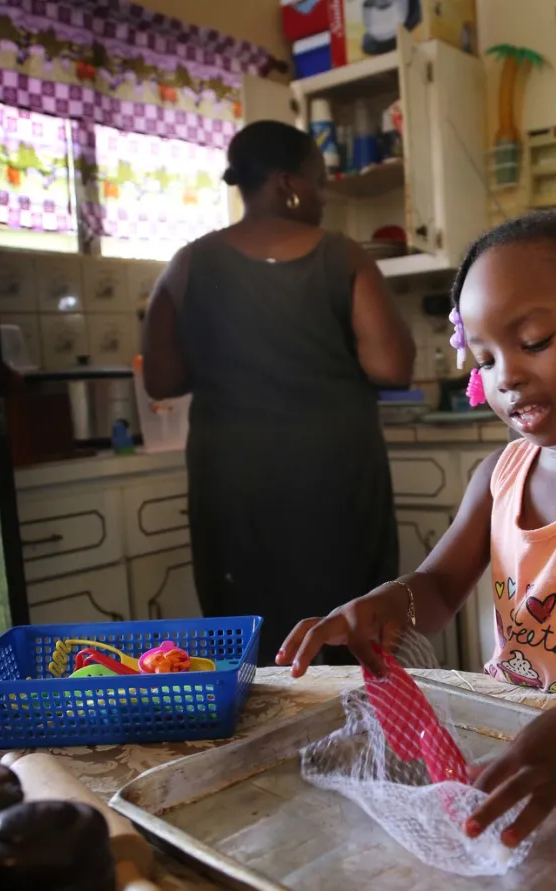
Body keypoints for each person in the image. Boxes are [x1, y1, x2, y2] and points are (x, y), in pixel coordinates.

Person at [277, 211, 556, 861]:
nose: (506, 376)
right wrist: (387, 602)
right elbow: (437, 589)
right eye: (487, 356)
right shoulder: (499, 472)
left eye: (535, 341)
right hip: (525, 743)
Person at [141, 120, 415, 660]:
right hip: (334, 481)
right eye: (318, 182)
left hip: (232, 486)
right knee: (348, 625)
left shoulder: (188, 263)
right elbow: (391, 365)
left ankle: (264, 737)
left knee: (249, 637)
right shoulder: (341, 255)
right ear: (287, 183)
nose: (323, 195)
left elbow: (162, 379)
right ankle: (357, 740)